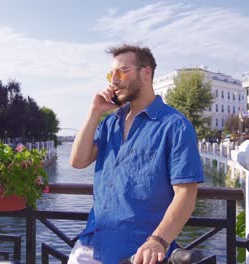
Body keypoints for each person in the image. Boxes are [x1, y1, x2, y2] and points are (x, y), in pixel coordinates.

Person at [69, 44, 204, 264]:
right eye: (110, 74)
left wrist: (159, 241)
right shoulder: (110, 123)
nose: (113, 80)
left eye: (121, 71)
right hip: (89, 246)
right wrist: (94, 112)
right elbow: (78, 160)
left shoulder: (175, 126)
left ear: (146, 73)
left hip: (138, 254)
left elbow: (186, 195)